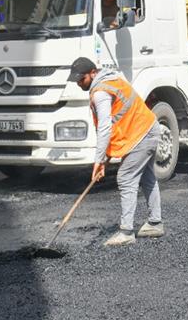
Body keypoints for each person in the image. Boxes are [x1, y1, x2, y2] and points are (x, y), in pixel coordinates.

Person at [67, 56, 163, 246]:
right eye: (76, 80)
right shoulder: (111, 79)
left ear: (93, 73)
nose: (79, 83)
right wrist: (105, 159)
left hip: (141, 134)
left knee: (126, 177)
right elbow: (116, 121)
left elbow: (104, 127)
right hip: (146, 130)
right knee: (147, 176)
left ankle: (126, 232)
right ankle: (155, 223)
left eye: (81, 79)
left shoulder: (101, 92)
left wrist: (98, 160)